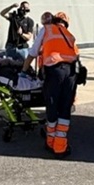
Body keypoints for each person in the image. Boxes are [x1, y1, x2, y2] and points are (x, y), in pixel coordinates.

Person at [30, 11, 79, 158]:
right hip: (70, 73)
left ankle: (50, 141)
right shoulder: (70, 36)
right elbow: (77, 56)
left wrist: (25, 69)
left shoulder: (47, 30)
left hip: (54, 72)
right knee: (65, 107)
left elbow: (33, 51)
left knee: (52, 106)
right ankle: (60, 146)